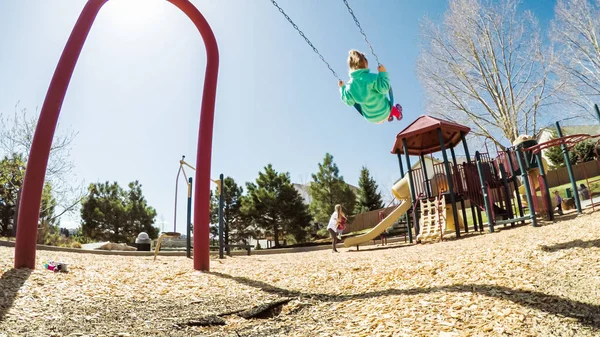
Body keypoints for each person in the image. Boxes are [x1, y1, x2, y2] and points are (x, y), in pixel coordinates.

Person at [338, 50, 402, 124]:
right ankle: (397, 114)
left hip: (371, 118)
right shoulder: (372, 78)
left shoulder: (349, 87)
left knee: (378, 106)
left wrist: (342, 88)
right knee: (387, 104)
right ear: (365, 64)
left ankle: (390, 115)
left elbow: (349, 101)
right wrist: (383, 73)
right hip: (385, 111)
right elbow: (385, 88)